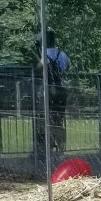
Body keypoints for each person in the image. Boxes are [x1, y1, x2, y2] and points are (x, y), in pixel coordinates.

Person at [43, 29, 71, 161]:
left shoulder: (43, 55)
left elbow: (38, 69)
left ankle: (47, 147)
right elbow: (67, 67)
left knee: (46, 119)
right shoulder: (62, 54)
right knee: (60, 120)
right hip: (61, 91)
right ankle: (61, 149)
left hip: (47, 92)